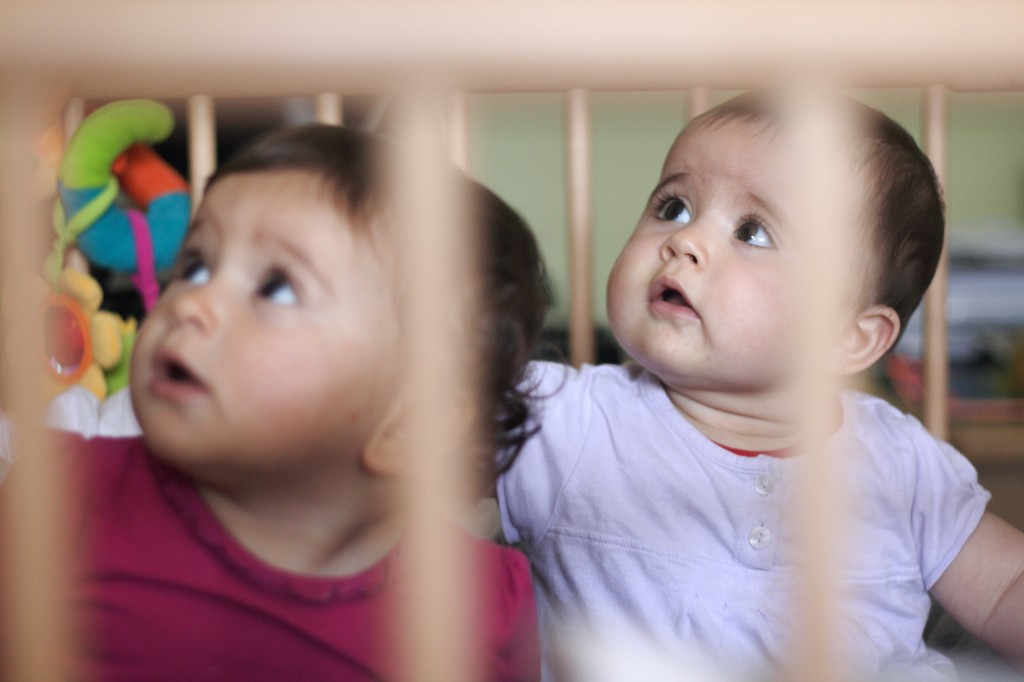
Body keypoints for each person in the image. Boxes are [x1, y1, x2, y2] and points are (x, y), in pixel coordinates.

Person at [497, 92, 1024, 681]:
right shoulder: (565, 421)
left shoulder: (901, 463)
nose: (685, 241)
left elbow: (1005, 587)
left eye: (752, 232)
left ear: (849, 337)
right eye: (673, 207)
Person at [1, 124, 547, 681]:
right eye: (195, 266)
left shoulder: (475, 599)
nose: (191, 303)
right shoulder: (62, 491)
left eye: (277, 288)